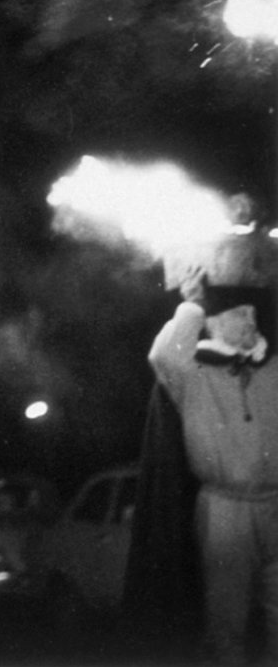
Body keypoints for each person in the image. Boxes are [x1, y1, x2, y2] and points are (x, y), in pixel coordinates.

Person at [147, 270, 278, 664]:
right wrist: (193, 304)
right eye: (241, 314)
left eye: (253, 315)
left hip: (277, 504)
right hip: (224, 510)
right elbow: (164, 353)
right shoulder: (193, 374)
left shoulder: (273, 368)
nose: (251, 323)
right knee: (227, 619)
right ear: (217, 323)